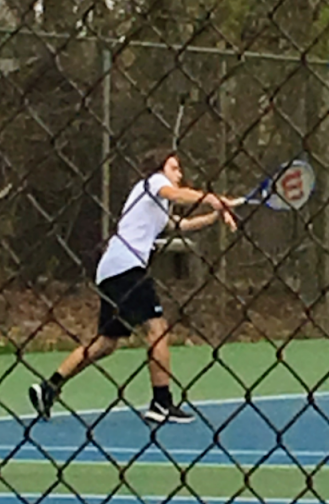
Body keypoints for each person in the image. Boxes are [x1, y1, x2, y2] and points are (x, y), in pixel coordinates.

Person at [29, 147, 237, 424]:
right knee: (157, 327)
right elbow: (176, 194)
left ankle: (49, 387)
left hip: (112, 268)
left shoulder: (156, 206)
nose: (179, 174)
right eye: (174, 168)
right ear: (160, 169)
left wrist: (215, 215)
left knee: (106, 343)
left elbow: (181, 224)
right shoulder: (153, 182)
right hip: (127, 265)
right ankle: (161, 403)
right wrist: (211, 198)